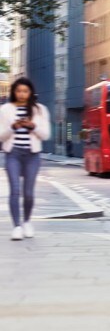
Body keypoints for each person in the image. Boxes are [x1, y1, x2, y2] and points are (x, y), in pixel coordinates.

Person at [0, 78, 52, 241]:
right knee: (15, 191)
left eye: (25, 91)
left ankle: (27, 222)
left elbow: (46, 134)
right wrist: (12, 128)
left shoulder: (40, 110)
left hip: (32, 155)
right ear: (14, 92)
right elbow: (1, 135)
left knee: (28, 193)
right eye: (19, 91)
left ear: (30, 93)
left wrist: (33, 126)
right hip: (13, 154)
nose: (22, 94)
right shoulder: (5, 109)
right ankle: (16, 226)